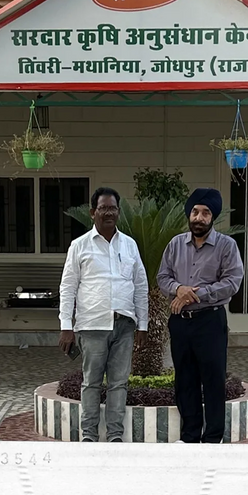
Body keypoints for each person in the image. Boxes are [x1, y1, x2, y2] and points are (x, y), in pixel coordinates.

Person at [58, 187, 148, 442]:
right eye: (103, 208)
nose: (108, 213)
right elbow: (68, 286)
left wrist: (143, 325)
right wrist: (66, 325)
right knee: (91, 383)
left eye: (113, 208)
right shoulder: (79, 246)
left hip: (124, 325)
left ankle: (115, 436)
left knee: (119, 383)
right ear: (92, 212)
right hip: (92, 326)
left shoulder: (130, 245)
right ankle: (88, 435)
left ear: (118, 212)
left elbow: (140, 285)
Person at [157, 188, 244, 443]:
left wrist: (195, 295)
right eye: (195, 212)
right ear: (189, 214)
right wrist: (178, 289)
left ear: (212, 217)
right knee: (185, 380)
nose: (199, 217)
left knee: (213, 379)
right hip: (180, 323)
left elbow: (232, 282)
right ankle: (190, 436)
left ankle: (213, 438)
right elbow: (163, 277)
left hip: (210, 321)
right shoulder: (175, 244)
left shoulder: (226, 246)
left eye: (205, 213)